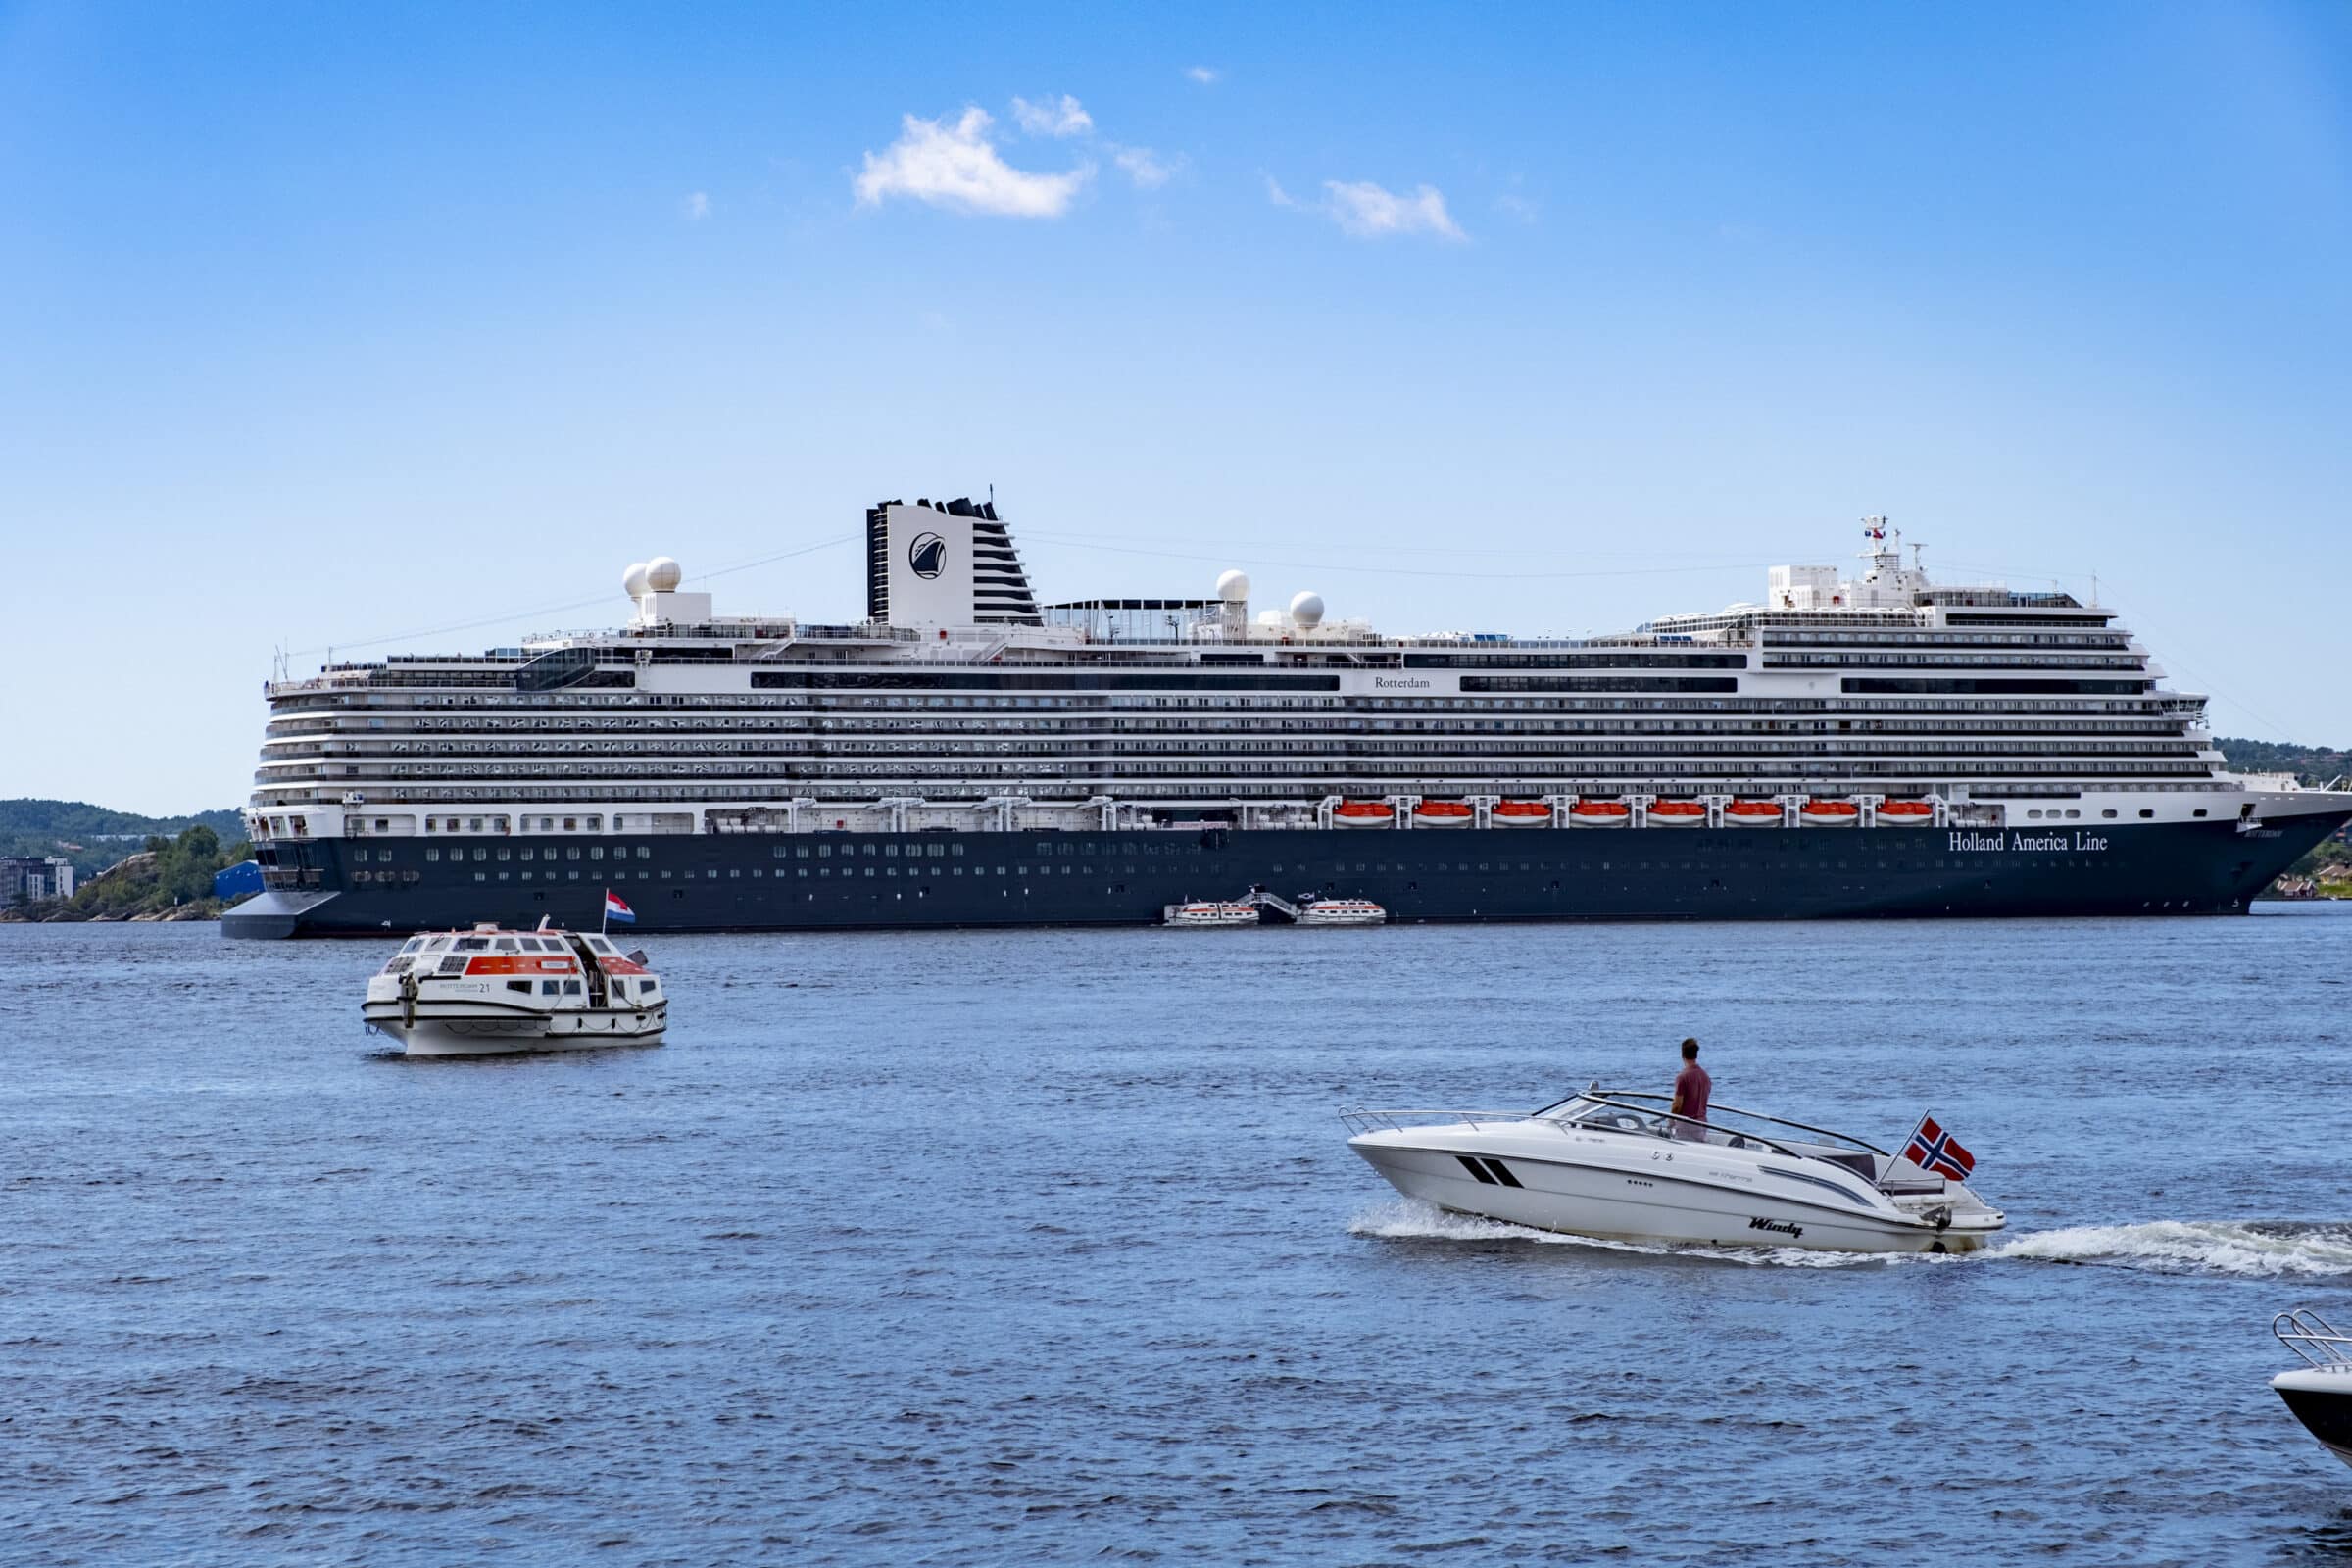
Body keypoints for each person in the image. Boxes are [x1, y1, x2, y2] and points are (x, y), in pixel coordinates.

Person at [1669, 1038, 1710, 1141]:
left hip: (1686, 1127)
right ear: (1696, 1055)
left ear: (1682, 1055)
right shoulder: (1705, 1076)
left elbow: (1677, 1105)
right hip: (1702, 1125)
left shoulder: (1682, 1077)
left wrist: (1670, 1120)